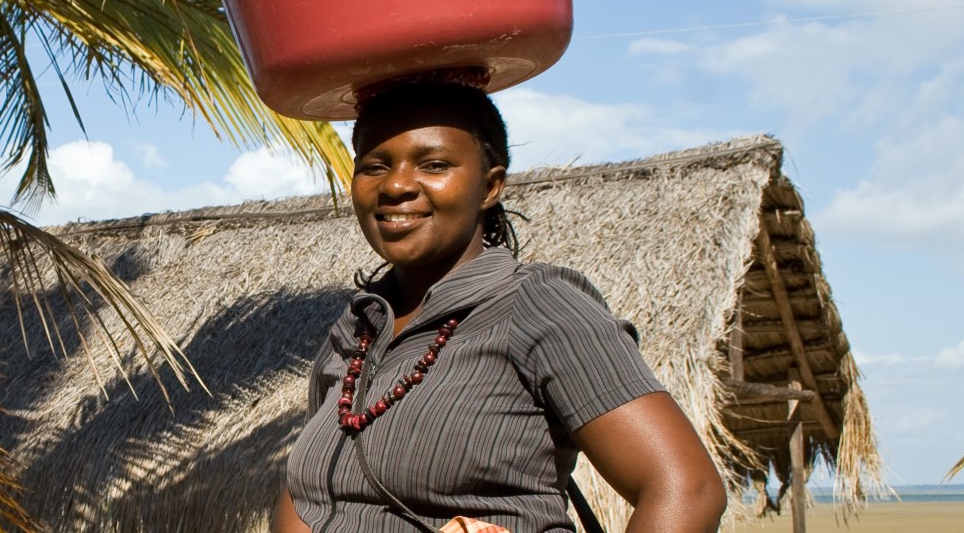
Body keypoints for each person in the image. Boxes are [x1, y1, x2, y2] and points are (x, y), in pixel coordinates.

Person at [271, 74, 726, 533]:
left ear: (490, 187)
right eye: (374, 166)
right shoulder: (356, 328)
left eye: (433, 165)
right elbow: (310, 494)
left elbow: (686, 488)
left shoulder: (536, 304)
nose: (396, 186)